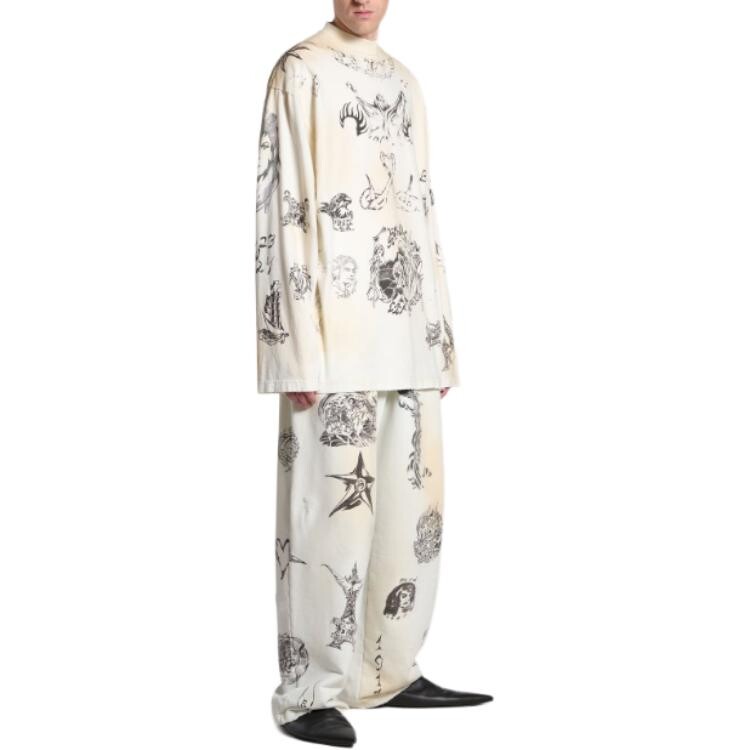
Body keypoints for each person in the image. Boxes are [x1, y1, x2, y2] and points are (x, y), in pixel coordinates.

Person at [255, 1, 492, 745]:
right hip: (333, 338)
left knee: (409, 510)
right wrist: (290, 342)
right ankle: (310, 691)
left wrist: (439, 335)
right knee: (327, 519)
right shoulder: (301, 71)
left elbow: (422, 207)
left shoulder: (404, 82)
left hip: (407, 331)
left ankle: (386, 671)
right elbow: (283, 207)